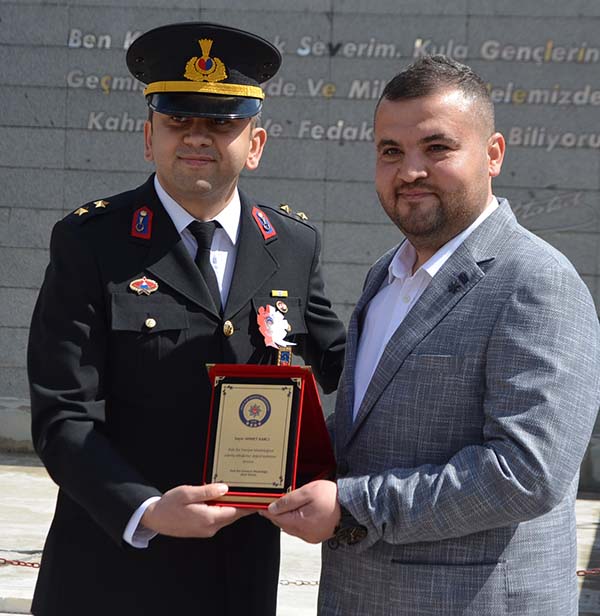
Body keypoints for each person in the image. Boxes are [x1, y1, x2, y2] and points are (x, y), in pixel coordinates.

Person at [261, 55, 600, 615]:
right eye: (390, 151)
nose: (410, 171)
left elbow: (526, 473)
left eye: (437, 148)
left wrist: (351, 506)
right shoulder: (385, 274)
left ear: (493, 155)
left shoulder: (536, 281)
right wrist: (273, 453)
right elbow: (372, 430)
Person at [27, 22, 345, 616]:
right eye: (178, 121)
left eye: (221, 123)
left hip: (240, 570)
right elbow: (62, 413)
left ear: (255, 144)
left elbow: (344, 370)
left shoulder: (293, 245)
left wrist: (339, 480)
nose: (197, 136)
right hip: (114, 569)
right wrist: (146, 509)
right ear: (149, 137)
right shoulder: (91, 242)